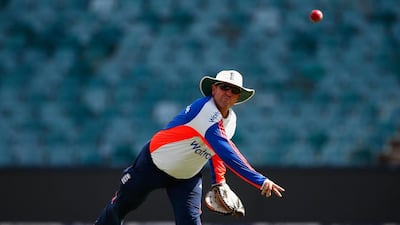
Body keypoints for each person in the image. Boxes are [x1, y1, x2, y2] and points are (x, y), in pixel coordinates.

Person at [94, 70, 285, 225]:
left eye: (234, 91)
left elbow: (217, 152)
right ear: (213, 89)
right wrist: (259, 180)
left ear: (238, 98)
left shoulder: (231, 121)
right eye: (224, 87)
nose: (228, 93)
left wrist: (220, 181)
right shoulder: (206, 111)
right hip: (153, 164)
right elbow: (226, 151)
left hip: (186, 177)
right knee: (121, 207)